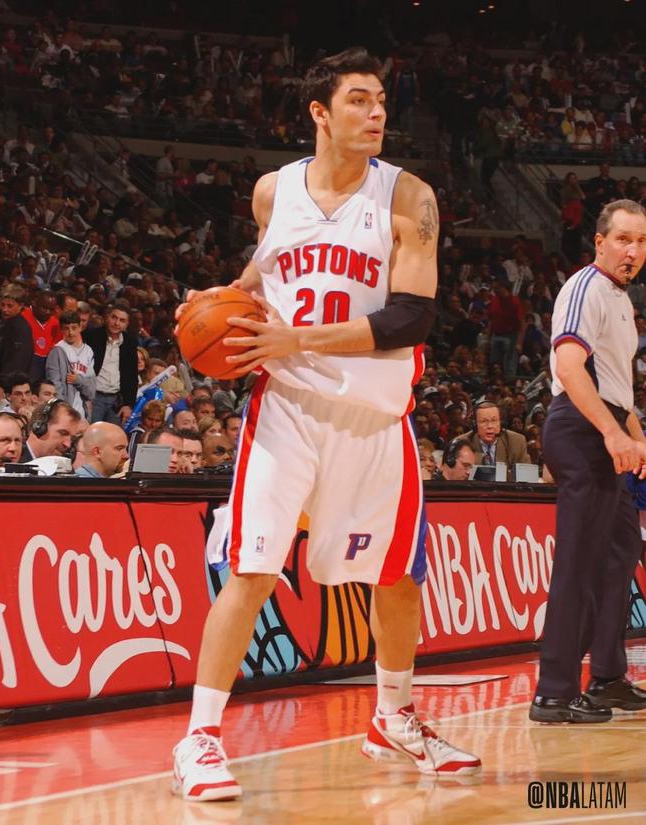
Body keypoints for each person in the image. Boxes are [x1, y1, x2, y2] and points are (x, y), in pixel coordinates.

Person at [171, 47, 480, 804]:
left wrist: (296, 337)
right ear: (319, 112)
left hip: (374, 416)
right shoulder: (272, 192)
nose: (376, 114)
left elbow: (411, 318)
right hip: (287, 409)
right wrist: (223, 301)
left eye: (381, 102)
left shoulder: (409, 197)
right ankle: (199, 738)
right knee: (251, 569)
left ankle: (393, 717)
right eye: (358, 101)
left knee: (398, 577)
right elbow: (267, 268)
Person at [530, 200, 646, 723]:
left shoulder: (620, 299)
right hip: (581, 430)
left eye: (640, 242)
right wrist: (611, 433)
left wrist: (635, 436)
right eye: (623, 239)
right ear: (599, 242)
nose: (632, 251)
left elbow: (617, 386)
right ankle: (553, 692)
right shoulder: (584, 288)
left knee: (620, 551)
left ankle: (606, 677)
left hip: (606, 427)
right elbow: (570, 367)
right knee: (579, 560)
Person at [84, 300, 137, 426]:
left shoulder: (130, 343)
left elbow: (131, 376)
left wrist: (128, 405)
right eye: (114, 317)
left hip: (116, 402)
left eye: (122, 320)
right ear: (107, 317)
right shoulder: (91, 336)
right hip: (94, 397)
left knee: (113, 436)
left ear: (127, 324)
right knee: (90, 434)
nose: (116, 323)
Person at [46, 310, 96, 419]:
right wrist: (63, 410)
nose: (70, 332)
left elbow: (91, 392)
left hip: (82, 412)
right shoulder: (57, 351)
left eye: (74, 328)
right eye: (66, 328)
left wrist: (78, 380)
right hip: (64, 411)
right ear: (61, 329)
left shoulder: (88, 351)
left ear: (80, 327)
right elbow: (54, 385)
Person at [462, 401, 531, 479]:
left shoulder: (517, 441)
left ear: (501, 423)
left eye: (494, 420)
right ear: (474, 425)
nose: (490, 426)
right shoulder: (462, 443)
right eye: (483, 421)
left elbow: (526, 478)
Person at [0, 284, 34, 394]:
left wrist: (1, 389)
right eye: (2, 305)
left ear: (20, 305)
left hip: (9, 391)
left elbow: (16, 362)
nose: (5, 309)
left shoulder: (20, 328)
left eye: (10, 306)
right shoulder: (7, 324)